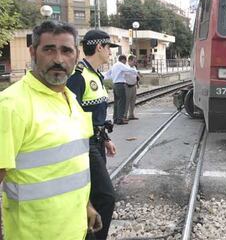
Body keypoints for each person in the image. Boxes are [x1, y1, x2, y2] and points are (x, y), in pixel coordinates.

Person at [0, 21, 102, 239]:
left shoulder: (70, 98)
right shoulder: (11, 105)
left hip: (75, 229)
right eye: (49, 49)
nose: (58, 59)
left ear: (76, 56)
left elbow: (69, 167)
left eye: (66, 50)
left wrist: (86, 206)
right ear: (33, 52)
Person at [67, 29, 118, 240]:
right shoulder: (78, 77)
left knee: (95, 196)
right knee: (107, 197)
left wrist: (105, 139)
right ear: (99, 47)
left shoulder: (95, 74)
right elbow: (72, 115)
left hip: (97, 142)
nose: (110, 53)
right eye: (109, 48)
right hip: (85, 145)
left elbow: (95, 115)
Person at [105, 54, 138, 125]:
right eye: (125, 61)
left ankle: (115, 118)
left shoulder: (114, 65)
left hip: (115, 85)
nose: (125, 63)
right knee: (122, 102)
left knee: (116, 102)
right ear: (123, 60)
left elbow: (107, 74)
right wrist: (136, 72)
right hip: (120, 85)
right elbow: (128, 69)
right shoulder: (120, 65)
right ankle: (120, 119)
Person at [124, 55, 141, 120]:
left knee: (133, 101)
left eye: (135, 61)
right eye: (134, 61)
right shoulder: (125, 67)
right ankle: (125, 115)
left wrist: (137, 83)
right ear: (129, 61)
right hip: (127, 86)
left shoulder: (134, 67)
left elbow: (136, 76)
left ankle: (131, 115)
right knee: (127, 102)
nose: (135, 63)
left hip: (133, 86)